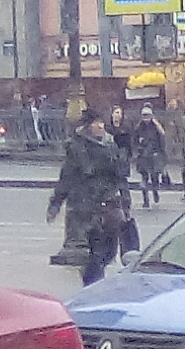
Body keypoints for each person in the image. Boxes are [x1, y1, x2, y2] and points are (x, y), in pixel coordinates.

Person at [46, 110, 132, 285]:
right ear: (87, 126)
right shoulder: (78, 148)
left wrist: (126, 203)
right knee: (93, 255)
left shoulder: (111, 146)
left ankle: (94, 277)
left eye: (102, 122)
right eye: (96, 123)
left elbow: (120, 177)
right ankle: (92, 284)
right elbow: (66, 178)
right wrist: (55, 204)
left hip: (109, 206)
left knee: (109, 252)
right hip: (85, 208)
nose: (100, 126)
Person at [131, 108, 167, 207]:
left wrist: (161, 153)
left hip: (154, 155)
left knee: (155, 177)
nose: (146, 118)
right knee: (144, 178)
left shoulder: (156, 126)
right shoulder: (139, 127)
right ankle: (145, 200)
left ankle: (155, 191)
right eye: (144, 116)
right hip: (143, 156)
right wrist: (137, 151)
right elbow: (134, 141)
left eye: (147, 116)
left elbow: (162, 137)